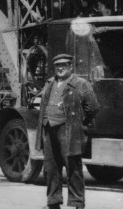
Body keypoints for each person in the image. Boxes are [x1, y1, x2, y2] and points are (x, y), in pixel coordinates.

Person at [37, 53, 99, 209]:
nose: (60, 68)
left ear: (71, 67)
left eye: (64, 65)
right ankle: (53, 201)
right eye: (57, 66)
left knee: (73, 167)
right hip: (49, 128)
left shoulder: (80, 83)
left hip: (69, 131)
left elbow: (93, 107)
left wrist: (79, 123)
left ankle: (77, 202)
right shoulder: (50, 82)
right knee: (51, 167)